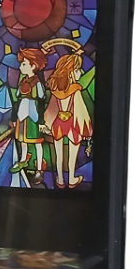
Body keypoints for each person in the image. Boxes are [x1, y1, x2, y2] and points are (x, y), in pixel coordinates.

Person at [41, 52, 92, 188]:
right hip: (72, 125)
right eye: (77, 70)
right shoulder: (75, 91)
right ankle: (71, 179)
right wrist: (86, 130)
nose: (80, 72)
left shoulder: (56, 91)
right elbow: (80, 112)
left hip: (58, 123)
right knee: (72, 155)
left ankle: (60, 179)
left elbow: (51, 110)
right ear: (70, 73)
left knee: (59, 154)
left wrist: (48, 125)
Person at [9, 47, 47, 185]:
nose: (20, 67)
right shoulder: (23, 82)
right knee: (22, 141)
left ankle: (38, 169)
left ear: (33, 65)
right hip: (21, 115)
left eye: (23, 64)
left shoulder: (37, 83)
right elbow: (17, 101)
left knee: (37, 143)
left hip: (33, 116)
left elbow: (41, 101)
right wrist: (14, 118)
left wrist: (41, 121)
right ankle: (23, 160)